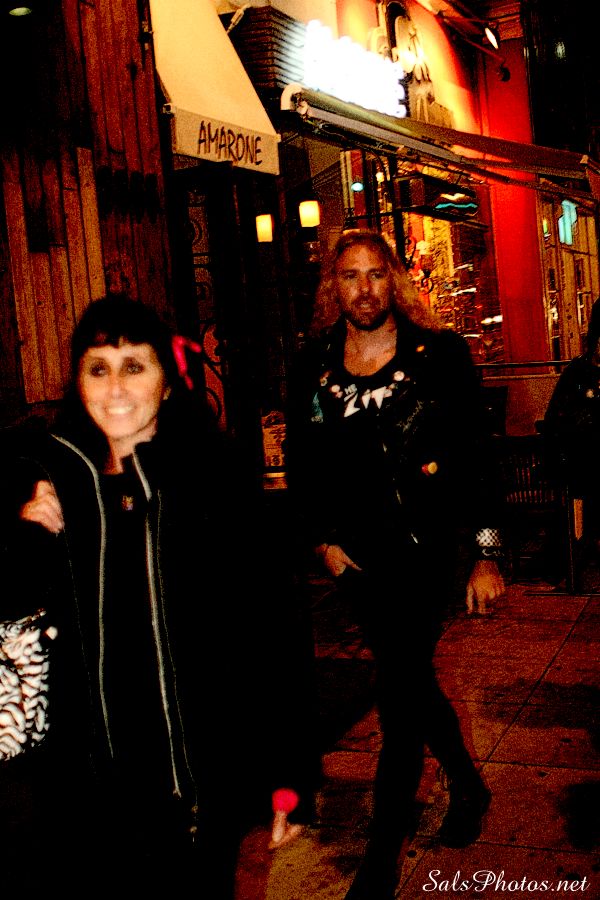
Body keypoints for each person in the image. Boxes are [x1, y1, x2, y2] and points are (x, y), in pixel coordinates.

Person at [0, 295, 314, 895]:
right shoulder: (53, 482)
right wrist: (19, 522)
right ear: (78, 383)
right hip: (85, 798)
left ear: (166, 384)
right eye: (98, 368)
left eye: (134, 366)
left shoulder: (215, 484)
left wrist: (289, 779)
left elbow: (276, 636)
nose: (116, 387)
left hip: (195, 789)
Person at [285, 230, 505, 899]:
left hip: (426, 551)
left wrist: (486, 552)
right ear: (334, 286)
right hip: (358, 559)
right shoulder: (314, 363)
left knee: (398, 696)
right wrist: (322, 541)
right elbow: (303, 463)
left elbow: (478, 456)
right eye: (350, 275)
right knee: (410, 681)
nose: (364, 288)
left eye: (375, 273)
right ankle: (466, 784)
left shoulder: (440, 355)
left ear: (395, 279)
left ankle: (380, 860)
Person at [544, 297, 600, 546]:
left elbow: (555, 420)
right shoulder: (578, 373)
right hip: (582, 464)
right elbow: (558, 421)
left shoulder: (577, 371)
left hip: (580, 466)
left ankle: (586, 542)